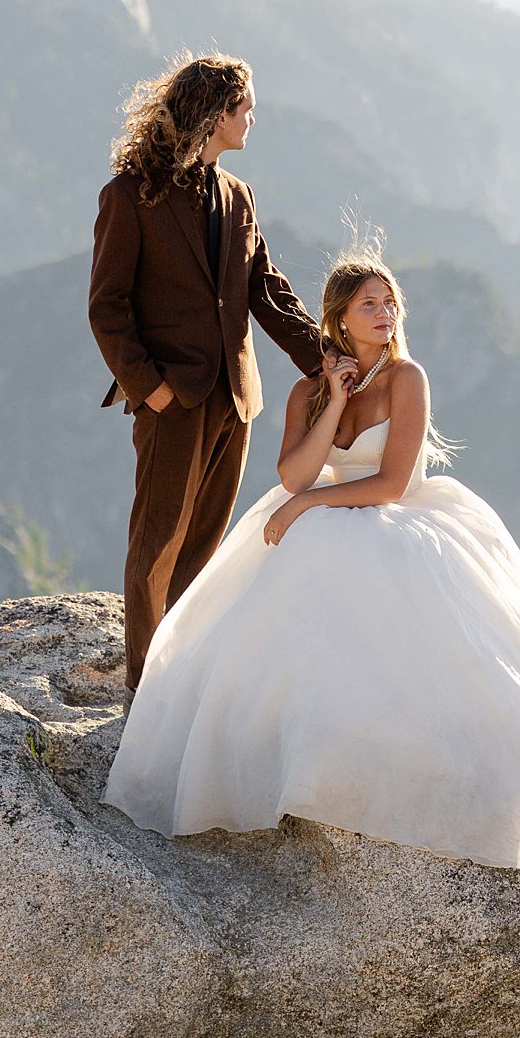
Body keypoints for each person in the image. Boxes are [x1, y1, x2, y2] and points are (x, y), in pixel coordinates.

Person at [100, 237, 520, 955]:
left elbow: (389, 485)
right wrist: (334, 401)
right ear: (339, 321)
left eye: (390, 302)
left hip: (397, 524)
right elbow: (294, 474)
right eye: (369, 304)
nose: (385, 313)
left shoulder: (409, 378)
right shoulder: (306, 391)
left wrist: (309, 509)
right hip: (320, 509)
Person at [88, 52, 328, 691]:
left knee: (201, 551)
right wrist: (152, 389)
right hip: (173, 399)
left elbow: (264, 289)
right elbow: (107, 308)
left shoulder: (238, 195)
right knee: (155, 550)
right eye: (246, 108)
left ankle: (182, 684)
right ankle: (145, 695)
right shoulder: (130, 195)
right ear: (217, 114)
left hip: (233, 399)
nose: (254, 119)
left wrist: (325, 357)